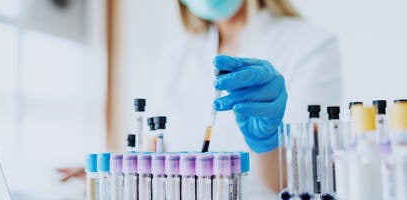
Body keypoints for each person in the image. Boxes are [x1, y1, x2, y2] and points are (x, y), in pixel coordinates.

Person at [59, 0, 342, 198]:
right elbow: (154, 150)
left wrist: (267, 142)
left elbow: (299, 183)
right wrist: (111, 173)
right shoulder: (176, 56)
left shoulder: (310, 45)